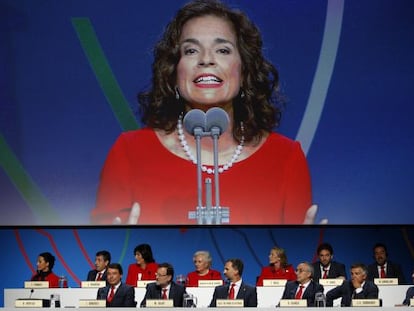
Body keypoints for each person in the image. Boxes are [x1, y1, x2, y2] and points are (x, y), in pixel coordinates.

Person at [90, 0, 321, 225]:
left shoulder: (285, 157)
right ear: (173, 71)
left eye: (222, 50)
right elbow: (106, 251)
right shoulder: (130, 152)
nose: (206, 60)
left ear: (244, 69)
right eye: (191, 50)